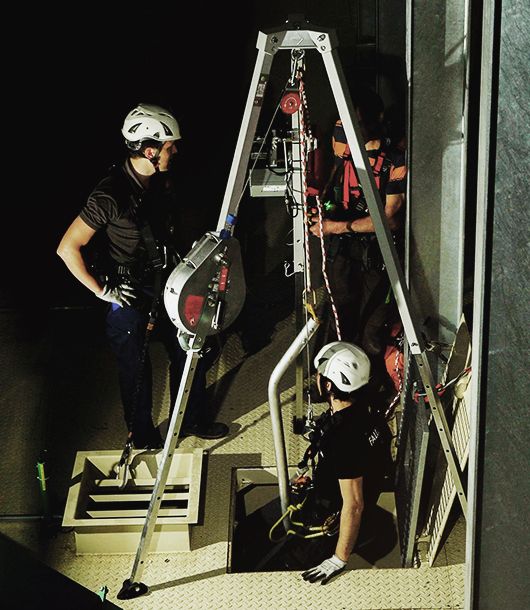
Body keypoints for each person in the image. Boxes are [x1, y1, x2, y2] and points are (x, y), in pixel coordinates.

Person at [57, 103, 229, 448]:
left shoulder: (158, 182)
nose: (175, 150)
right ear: (150, 150)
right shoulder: (109, 195)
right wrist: (102, 291)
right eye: (169, 146)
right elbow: (67, 248)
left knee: (188, 351)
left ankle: (192, 418)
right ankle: (142, 434)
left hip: (167, 284)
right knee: (134, 368)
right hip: (130, 293)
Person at [309, 87, 407, 378]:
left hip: (377, 253)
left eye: (360, 122)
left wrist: (336, 226)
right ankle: (329, 381)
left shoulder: (395, 160)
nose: (353, 128)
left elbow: (390, 219)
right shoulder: (344, 152)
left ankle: (369, 387)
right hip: (343, 250)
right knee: (338, 317)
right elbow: (329, 187)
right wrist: (322, 212)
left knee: (373, 326)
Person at [297, 341, 392, 584]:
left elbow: (354, 505)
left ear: (329, 384)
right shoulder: (369, 409)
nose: (316, 380)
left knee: (297, 561)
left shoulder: (341, 439)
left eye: (319, 376)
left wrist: (338, 558)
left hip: (334, 516)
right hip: (360, 491)